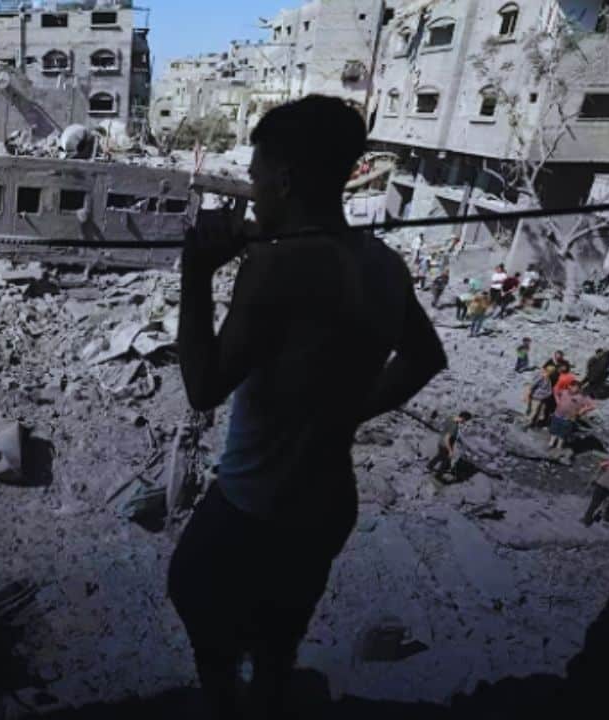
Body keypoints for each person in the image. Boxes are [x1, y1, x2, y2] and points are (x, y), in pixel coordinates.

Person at [169, 96, 447, 718]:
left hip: (254, 508)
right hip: (327, 503)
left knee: (194, 595)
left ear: (286, 180)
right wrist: (345, 414)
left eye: (256, 177)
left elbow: (203, 388)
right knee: (278, 643)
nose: (253, 194)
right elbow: (425, 357)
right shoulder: (384, 264)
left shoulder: (277, 265)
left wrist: (196, 275)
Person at [549, 381, 595, 450]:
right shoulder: (564, 392)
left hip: (568, 418)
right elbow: (555, 390)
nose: (574, 389)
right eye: (572, 387)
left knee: (563, 433)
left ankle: (559, 445)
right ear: (569, 386)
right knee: (554, 429)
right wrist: (557, 400)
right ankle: (551, 443)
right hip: (557, 415)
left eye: (576, 388)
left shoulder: (581, 396)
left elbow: (592, 405)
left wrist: (583, 410)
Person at [428, 411, 471, 477]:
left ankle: (431, 467)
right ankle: (438, 474)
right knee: (445, 460)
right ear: (463, 417)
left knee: (441, 457)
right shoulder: (454, 425)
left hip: (443, 442)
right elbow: (447, 437)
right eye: (466, 420)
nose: (465, 422)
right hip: (445, 444)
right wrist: (450, 450)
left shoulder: (452, 419)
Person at [526, 363, 557, 427]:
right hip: (536, 396)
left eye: (551, 372)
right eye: (549, 371)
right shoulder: (541, 377)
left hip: (541, 398)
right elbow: (533, 385)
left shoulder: (548, 380)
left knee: (537, 411)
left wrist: (545, 394)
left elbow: (549, 391)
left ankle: (531, 422)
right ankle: (527, 422)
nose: (549, 373)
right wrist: (530, 393)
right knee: (533, 410)